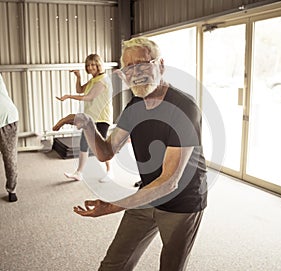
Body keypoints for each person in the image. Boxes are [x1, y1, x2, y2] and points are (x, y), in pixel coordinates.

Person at [53, 37, 208, 271]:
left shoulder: (184, 107)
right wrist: (87, 124)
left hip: (182, 202)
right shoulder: (134, 105)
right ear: (123, 74)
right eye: (129, 67)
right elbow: (106, 153)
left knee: (171, 267)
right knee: (114, 264)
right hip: (146, 194)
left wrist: (114, 205)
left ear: (161, 65)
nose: (136, 72)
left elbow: (169, 182)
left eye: (143, 63)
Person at [56, 54, 113, 182]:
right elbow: (80, 90)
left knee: (101, 148)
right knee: (84, 144)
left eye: (93, 64)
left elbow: (89, 97)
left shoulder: (103, 80)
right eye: (88, 65)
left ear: (98, 65)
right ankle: (79, 173)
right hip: (90, 117)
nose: (90, 67)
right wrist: (78, 77)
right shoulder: (94, 79)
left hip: (101, 118)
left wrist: (68, 97)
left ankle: (110, 172)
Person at [0, 73, 19, 202]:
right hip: (8, 117)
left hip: (7, 119)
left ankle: (12, 190)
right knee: (9, 157)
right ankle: (12, 190)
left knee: (9, 157)